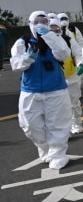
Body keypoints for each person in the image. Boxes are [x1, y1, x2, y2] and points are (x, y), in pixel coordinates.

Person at [11, 12, 73, 169]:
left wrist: (49, 36)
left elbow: (63, 54)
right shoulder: (22, 42)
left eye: (44, 21)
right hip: (30, 89)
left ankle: (58, 154)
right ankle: (44, 148)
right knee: (30, 125)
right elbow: (16, 65)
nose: (40, 24)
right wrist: (28, 58)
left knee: (58, 123)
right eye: (37, 21)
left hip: (56, 88)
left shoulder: (56, 38)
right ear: (30, 23)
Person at [51, 14, 83, 135]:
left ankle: (76, 124)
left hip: (71, 75)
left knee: (74, 102)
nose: (54, 30)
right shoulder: (42, 42)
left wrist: (81, 63)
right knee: (58, 106)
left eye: (56, 27)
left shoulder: (68, 38)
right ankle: (65, 129)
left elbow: (78, 52)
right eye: (51, 27)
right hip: (53, 79)